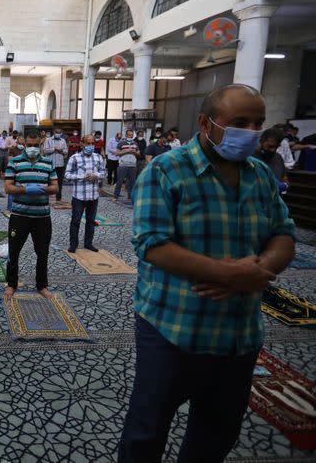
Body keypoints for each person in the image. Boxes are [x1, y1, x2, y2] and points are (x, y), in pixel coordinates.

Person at [119, 84, 296, 463]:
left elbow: (284, 234)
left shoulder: (261, 177)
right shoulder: (166, 171)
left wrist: (259, 270)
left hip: (239, 334)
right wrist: (228, 274)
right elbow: (150, 243)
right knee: (147, 431)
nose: (251, 131)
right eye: (239, 123)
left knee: (217, 432)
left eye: (258, 123)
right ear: (206, 123)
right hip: (173, 329)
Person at [3, 130, 59, 301]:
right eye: (29, 145)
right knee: (14, 251)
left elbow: (55, 187)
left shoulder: (48, 163)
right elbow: (7, 188)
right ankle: (11, 284)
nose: (32, 148)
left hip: (42, 217)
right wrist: (26, 189)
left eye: (36, 145)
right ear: (23, 143)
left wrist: (41, 188)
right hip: (20, 215)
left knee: (43, 252)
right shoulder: (15, 162)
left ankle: (42, 285)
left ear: (41, 143)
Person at [65, 135, 106, 253]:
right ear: (82, 144)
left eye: (92, 143)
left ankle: (88, 243)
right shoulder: (75, 158)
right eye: (88, 143)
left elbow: (104, 173)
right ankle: (73, 244)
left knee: (91, 221)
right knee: (76, 220)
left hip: (93, 196)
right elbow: (67, 175)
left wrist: (96, 175)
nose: (90, 146)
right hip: (79, 196)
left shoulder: (98, 157)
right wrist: (82, 177)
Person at [254, 128, 288, 193]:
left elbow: (284, 177)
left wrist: (285, 185)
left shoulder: (278, 157)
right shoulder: (249, 157)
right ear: (261, 141)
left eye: (277, 147)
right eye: (270, 146)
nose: (273, 150)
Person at [113, 129, 139, 202]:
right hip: (123, 165)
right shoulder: (121, 143)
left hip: (133, 165)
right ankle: (115, 196)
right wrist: (126, 151)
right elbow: (117, 153)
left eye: (131, 135)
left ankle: (130, 197)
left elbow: (138, 153)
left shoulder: (135, 143)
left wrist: (135, 152)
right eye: (129, 135)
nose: (130, 136)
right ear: (126, 135)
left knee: (132, 182)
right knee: (120, 182)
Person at [44, 127, 68, 202]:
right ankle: (46, 198)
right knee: (48, 181)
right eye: (57, 132)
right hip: (50, 165)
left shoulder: (63, 140)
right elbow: (45, 151)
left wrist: (61, 150)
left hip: (60, 164)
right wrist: (54, 149)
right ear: (54, 132)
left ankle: (58, 197)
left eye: (60, 132)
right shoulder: (48, 140)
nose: (58, 134)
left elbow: (66, 151)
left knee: (60, 182)